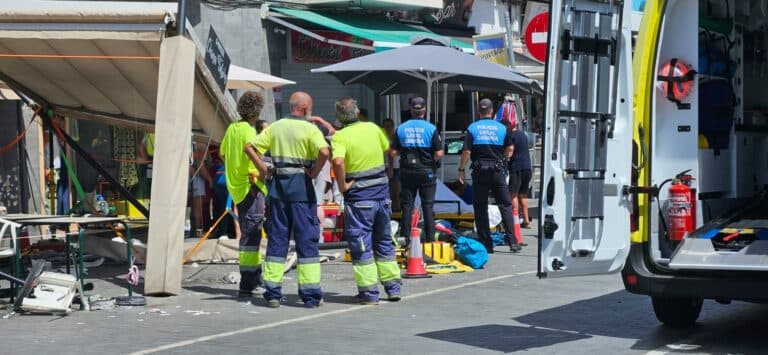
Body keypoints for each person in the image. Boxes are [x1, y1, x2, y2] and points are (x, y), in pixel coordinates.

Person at [248, 91, 330, 309]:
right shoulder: (309, 128)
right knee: (307, 241)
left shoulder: (275, 127)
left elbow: (249, 147)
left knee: (277, 239)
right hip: (301, 189)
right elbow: (324, 150)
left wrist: (263, 169)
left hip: (278, 189)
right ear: (304, 108)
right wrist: (315, 171)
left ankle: (272, 293)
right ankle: (310, 295)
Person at [331, 97, 401, 305]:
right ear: (358, 111)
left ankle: (370, 293)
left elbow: (337, 161)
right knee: (384, 241)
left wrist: (342, 185)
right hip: (381, 194)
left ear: (339, 117)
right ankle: (393, 287)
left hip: (360, 197)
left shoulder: (340, 136)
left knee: (361, 244)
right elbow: (388, 150)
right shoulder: (372, 128)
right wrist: (387, 170)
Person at [219, 91, 269, 297]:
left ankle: (251, 279)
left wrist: (235, 170)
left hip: (237, 186)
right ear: (257, 111)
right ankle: (249, 282)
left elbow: (222, 153)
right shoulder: (248, 131)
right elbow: (252, 152)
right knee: (251, 235)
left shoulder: (232, 128)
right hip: (251, 186)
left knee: (249, 232)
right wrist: (263, 172)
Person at [458, 98, 522, 253]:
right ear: (492, 111)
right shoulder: (501, 128)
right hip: (497, 170)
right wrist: (504, 159)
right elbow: (510, 148)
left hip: (480, 172)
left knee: (480, 207)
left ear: (479, 112)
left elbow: (467, 151)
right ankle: (513, 241)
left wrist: (461, 169)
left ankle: (486, 243)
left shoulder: (473, 128)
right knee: (505, 204)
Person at [391, 97, 443, 245]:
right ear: (424, 110)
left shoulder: (401, 128)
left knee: (407, 205)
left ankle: (406, 238)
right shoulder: (431, 128)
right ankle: (430, 239)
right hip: (426, 170)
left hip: (407, 171)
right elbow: (439, 153)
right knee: (427, 205)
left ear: (411, 109)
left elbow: (393, 152)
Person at [507, 121, 533, 230]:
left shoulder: (511, 136)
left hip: (516, 168)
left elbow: (510, 150)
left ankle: (515, 220)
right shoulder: (523, 135)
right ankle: (526, 221)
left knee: (513, 195)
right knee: (522, 195)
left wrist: (506, 157)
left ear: (509, 126)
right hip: (527, 167)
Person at [383, 118, 400, 212]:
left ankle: (396, 210)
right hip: (383, 167)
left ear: (393, 126)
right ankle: (386, 210)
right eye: (385, 126)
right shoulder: (382, 138)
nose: (388, 128)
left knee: (396, 192)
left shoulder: (396, 139)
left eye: (390, 125)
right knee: (385, 192)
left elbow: (395, 153)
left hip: (396, 167)